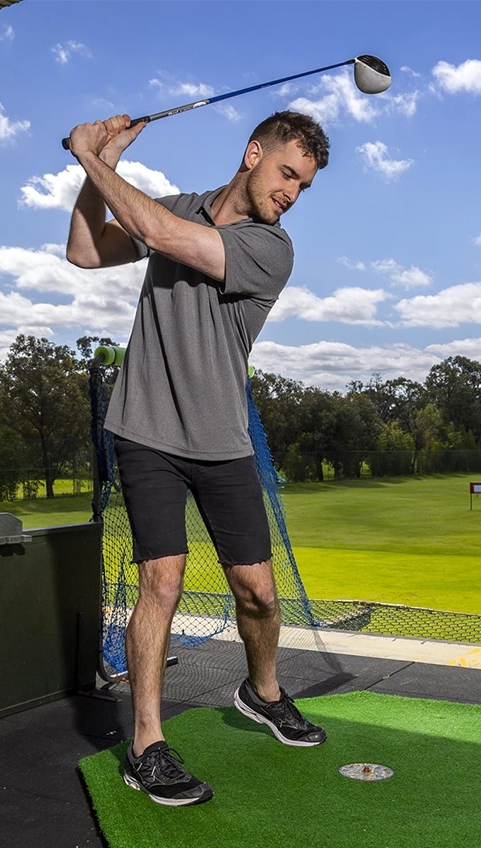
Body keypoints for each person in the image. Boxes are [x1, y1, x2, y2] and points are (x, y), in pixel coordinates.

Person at [66, 110, 330, 806]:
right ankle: (146, 744)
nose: (292, 193)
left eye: (303, 185)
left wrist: (94, 159)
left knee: (258, 593)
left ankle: (262, 691)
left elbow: (156, 233)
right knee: (162, 580)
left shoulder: (272, 249)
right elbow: (85, 252)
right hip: (146, 428)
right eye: (287, 174)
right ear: (253, 154)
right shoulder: (179, 206)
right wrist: (102, 170)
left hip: (221, 441)